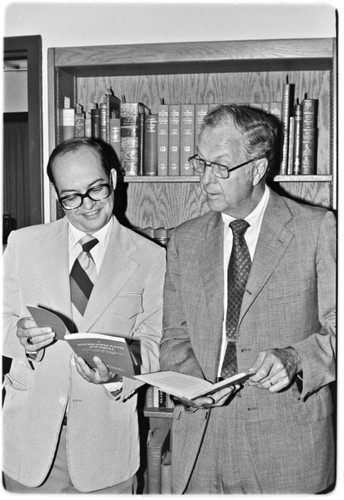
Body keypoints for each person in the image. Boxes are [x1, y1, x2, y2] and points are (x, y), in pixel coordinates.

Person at [160, 104, 336, 494]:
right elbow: (173, 337)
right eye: (200, 163)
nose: (206, 179)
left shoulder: (315, 228)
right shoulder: (184, 240)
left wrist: (294, 358)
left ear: (257, 168)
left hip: (286, 441)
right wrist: (196, 387)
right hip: (203, 435)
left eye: (220, 167)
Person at [2, 137, 166, 493]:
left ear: (113, 178)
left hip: (106, 448)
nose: (87, 205)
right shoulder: (22, 245)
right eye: (71, 197)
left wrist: (117, 374)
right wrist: (21, 337)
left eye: (96, 190)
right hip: (28, 444)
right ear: (57, 195)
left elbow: (156, 345)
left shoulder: (152, 258)